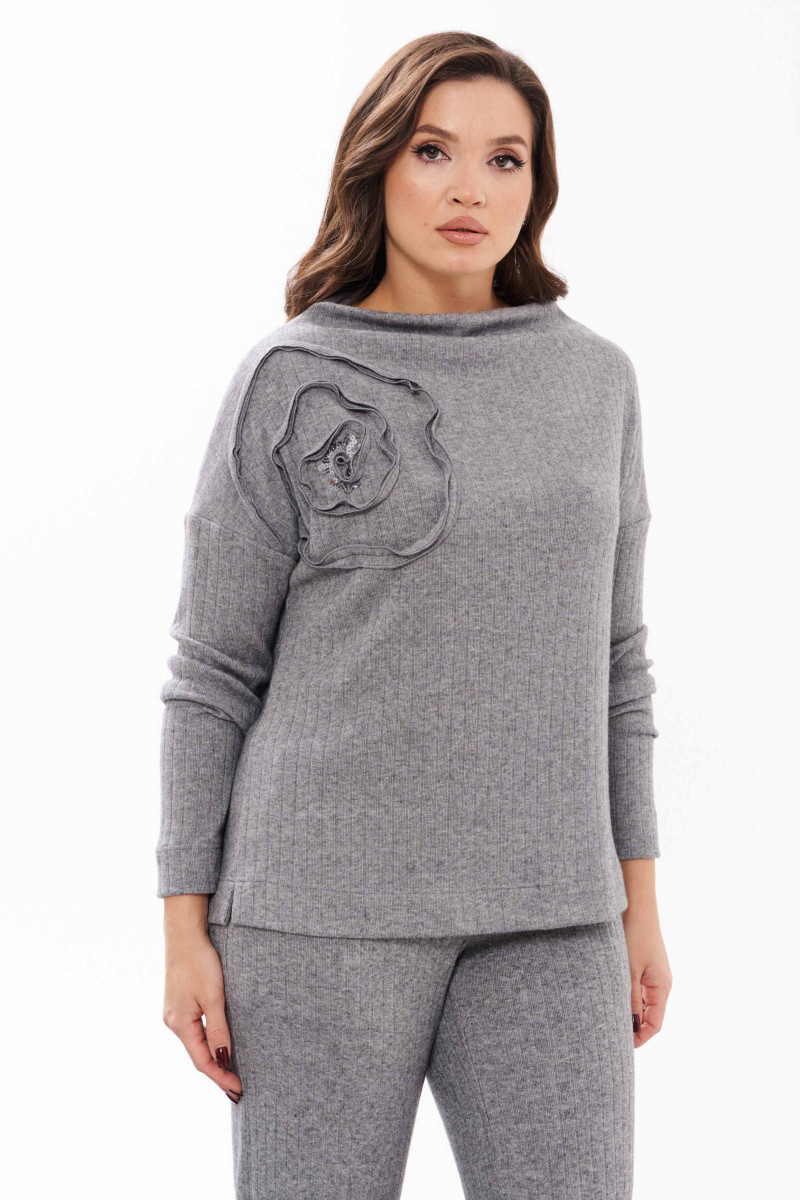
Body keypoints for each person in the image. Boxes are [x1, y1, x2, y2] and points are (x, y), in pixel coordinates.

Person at [156, 29, 673, 1200]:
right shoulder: (289, 375)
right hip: (314, 913)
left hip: (551, 914)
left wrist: (637, 906)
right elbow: (211, 671)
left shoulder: (594, 380)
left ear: (536, 185)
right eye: (433, 151)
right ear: (377, 163)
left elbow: (617, 662)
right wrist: (183, 928)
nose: (468, 189)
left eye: (505, 159)